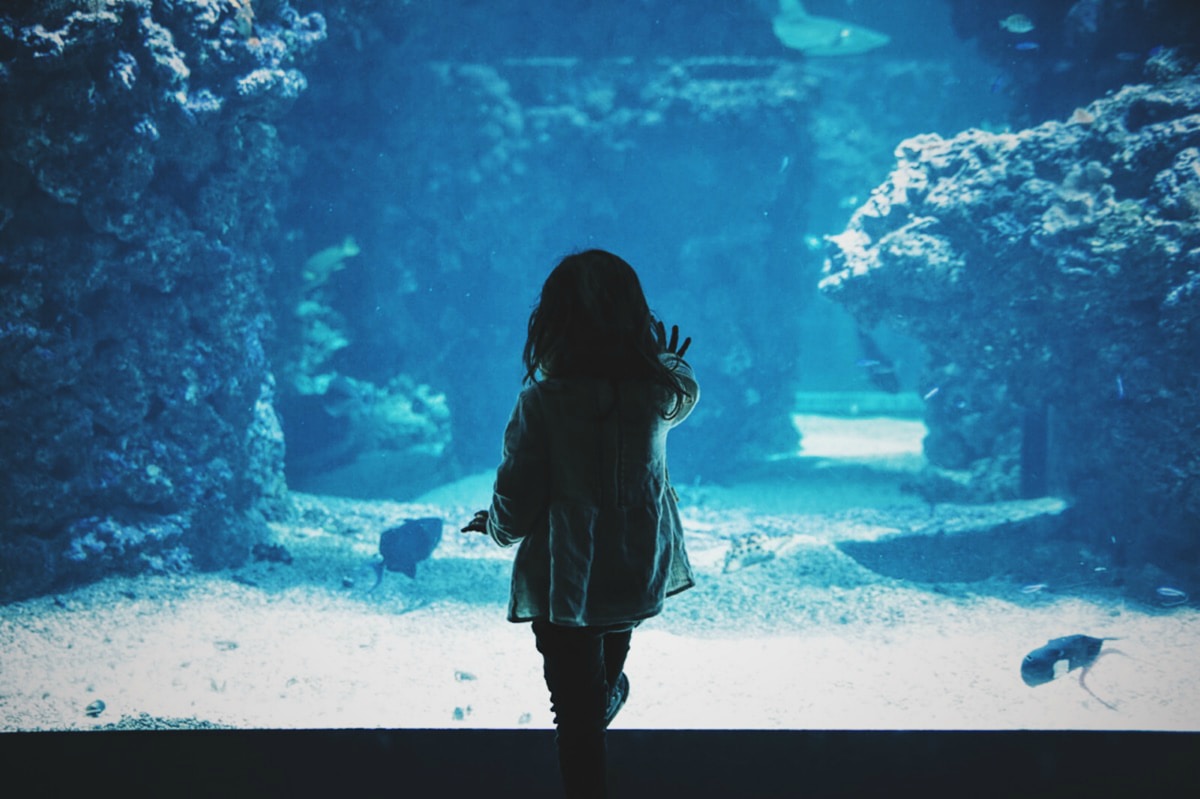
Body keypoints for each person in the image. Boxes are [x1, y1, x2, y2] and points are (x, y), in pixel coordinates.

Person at [461, 249, 699, 798]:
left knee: (574, 714)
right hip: (633, 567)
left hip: (564, 578)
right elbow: (686, 389)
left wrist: (495, 528)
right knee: (603, 668)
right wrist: (663, 360)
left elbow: (517, 497)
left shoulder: (542, 402)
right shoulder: (656, 393)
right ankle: (607, 693)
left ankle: (597, 713)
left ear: (552, 323)